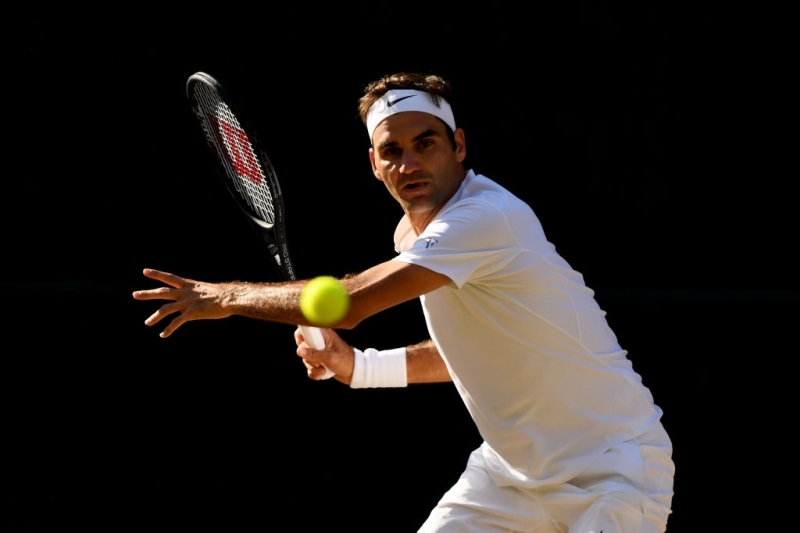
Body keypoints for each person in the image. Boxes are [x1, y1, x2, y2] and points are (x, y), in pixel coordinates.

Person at [133, 72, 674, 532]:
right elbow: (468, 351)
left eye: (426, 143)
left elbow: (346, 305)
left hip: (613, 470)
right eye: (392, 151)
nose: (409, 163)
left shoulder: (487, 217)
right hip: (510, 476)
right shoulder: (411, 237)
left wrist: (226, 297)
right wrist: (360, 367)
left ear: (458, 145)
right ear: (374, 163)